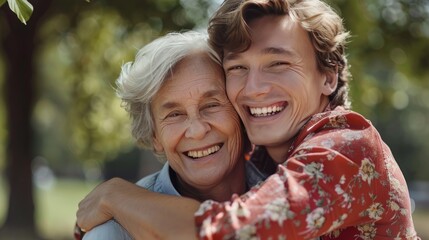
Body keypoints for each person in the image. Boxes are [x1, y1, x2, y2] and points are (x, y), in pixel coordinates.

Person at [77, 0, 419, 239]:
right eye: (238, 68)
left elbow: (226, 233)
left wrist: (115, 196)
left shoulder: (345, 146)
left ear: (328, 76)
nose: (253, 90)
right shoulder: (264, 158)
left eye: (278, 64)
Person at [76, 31, 266, 240]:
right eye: (174, 114)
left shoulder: (285, 191)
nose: (197, 130)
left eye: (211, 105)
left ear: (240, 111)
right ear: (155, 136)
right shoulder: (115, 234)